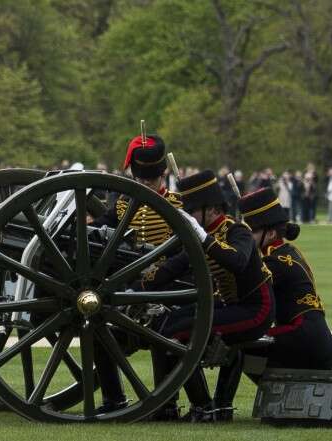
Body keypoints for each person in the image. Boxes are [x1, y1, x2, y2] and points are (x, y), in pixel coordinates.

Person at [142, 170, 274, 422]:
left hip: (256, 310)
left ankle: (204, 408)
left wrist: (204, 238)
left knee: (178, 332)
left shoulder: (238, 231)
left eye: (192, 212)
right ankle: (166, 405)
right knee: (162, 326)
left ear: (211, 209)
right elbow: (168, 270)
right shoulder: (200, 236)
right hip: (228, 306)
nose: (189, 217)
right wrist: (133, 283)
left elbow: (237, 261)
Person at [92, 133, 184, 417]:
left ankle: (165, 404)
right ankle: (114, 399)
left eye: (150, 178)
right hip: (129, 289)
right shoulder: (122, 205)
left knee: (162, 329)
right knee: (97, 328)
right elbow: (99, 230)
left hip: (168, 288)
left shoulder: (178, 205)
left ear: (162, 174)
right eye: (141, 177)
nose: (144, 183)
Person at [238, 188, 332, 370]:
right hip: (316, 339)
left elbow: (242, 291)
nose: (247, 238)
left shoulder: (276, 262)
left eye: (251, 233)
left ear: (271, 233)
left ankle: (221, 400)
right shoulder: (288, 251)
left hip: (302, 338)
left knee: (236, 347)